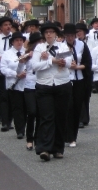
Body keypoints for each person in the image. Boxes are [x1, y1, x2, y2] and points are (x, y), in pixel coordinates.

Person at [30, 23, 73, 162]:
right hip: (44, 85)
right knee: (46, 117)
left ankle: (58, 148)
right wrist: (50, 61)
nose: (49, 34)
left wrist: (59, 61)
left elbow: (68, 62)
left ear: (56, 34)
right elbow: (35, 66)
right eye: (46, 32)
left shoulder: (63, 46)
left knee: (61, 117)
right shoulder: (39, 48)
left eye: (51, 32)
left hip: (62, 84)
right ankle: (44, 148)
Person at [63, 24, 91, 148]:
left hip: (79, 79)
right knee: (67, 108)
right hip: (65, 80)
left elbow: (88, 63)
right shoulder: (60, 47)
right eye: (68, 35)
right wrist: (68, 65)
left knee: (77, 108)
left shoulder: (82, 45)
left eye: (72, 35)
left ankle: (73, 136)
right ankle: (65, 135)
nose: (70, 38)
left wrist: (77, 67)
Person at [1, 32, 28, 138]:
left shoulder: (26, 52)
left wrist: (25, 72)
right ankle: (20, 130)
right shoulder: (7, 54)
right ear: (12, 42)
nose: (19, 42)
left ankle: (24, 126)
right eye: (17, 40)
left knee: (25, 107)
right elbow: (3, 69)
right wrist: (15, 74)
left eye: (21, 40)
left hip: (26, 84)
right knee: (17, 108)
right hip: (13, 84)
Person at [23, 32, 42, 151]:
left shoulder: (44, 53)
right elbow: (20, 68)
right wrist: (25, 59)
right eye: (38, 42)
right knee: (32, 112)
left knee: (40, 113)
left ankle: (38, 139)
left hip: (41, 84)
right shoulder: (27, 54)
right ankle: (29, 139)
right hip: (29, 85)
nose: (40, 44)